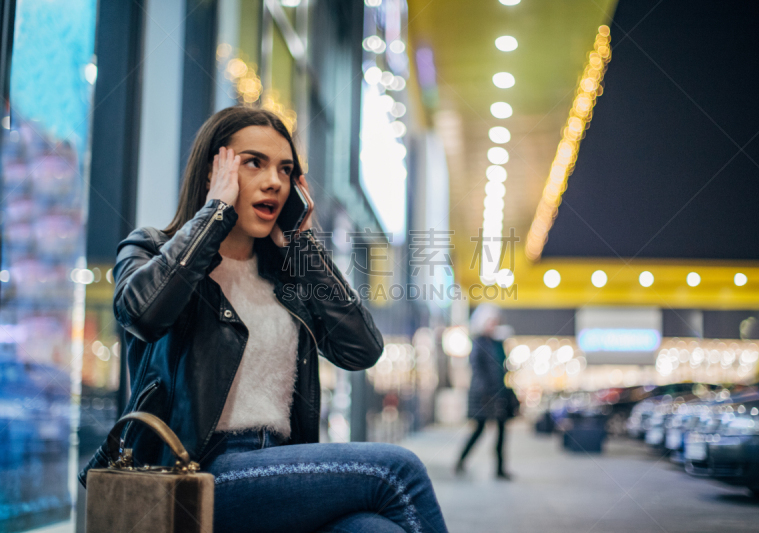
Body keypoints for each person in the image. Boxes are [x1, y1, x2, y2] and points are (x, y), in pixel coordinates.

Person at [79, 106, 448, 533]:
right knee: (396, 469)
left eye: (286, 170)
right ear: (213, 172)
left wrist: (302, 245)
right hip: (195, 470)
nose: (275, 181)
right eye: (254, 163)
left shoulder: (285, 274)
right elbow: (143, 314)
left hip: (282, 466)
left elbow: (361, 349)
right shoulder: (149, 250)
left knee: (374, 529)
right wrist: (215, 212)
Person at [455, 304, 518, 480]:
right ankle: (460, 461)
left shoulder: (498, 343)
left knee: (502, 431)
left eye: (495, 322)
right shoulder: (478, 343)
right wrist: (486, 392)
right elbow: (477, 370)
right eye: (491, 321)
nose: (494, 325)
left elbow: (503, 367)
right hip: (483, 395)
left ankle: (500, 468)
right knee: (479, 429)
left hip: (499, 393)